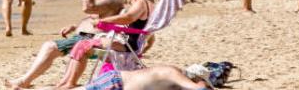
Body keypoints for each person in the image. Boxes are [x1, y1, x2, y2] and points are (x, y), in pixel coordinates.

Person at [5, 0, 123, 90]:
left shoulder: (111, 0)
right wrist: (75, 26)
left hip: (92, 40)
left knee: (50, 47)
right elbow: (96, 19)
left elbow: (88, 8)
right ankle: (31, 80)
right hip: (86, 37)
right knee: (50, 47)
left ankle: (25, 81)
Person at [54, 0, 155, 89]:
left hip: (127, 45)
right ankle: (66, 82)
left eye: (131, 0)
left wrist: (102, 21)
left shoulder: (142, 2)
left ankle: (69, 83)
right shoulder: (152, 7)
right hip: (130, 45)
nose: (131, 4)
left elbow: (128, 17)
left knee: (82, 46)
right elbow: (148, 36)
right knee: (82, 45)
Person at [67, 65, 206, 90]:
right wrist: (202, 81)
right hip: (116, 83)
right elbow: (199, 89)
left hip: (117, 82)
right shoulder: (173, 73)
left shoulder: (170, 82)